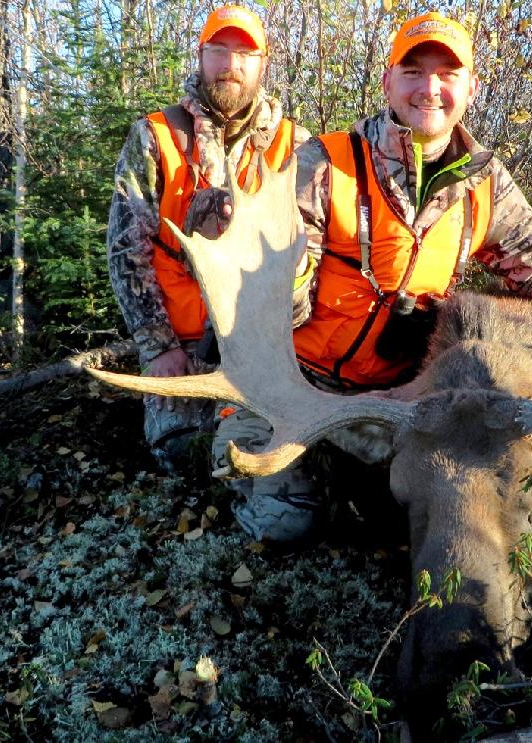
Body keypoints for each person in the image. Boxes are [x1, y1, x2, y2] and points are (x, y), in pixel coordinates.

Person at [217, 11, 532, 543]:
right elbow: (278, 301)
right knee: (290, 523)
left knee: (438, 506)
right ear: (388, 82)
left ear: (471, 87)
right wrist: (290, 277)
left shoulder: (483, 180)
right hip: (296, 389)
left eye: (447, 73)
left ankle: (344, 475)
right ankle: (247, 445)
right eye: (414, 72)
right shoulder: (323, 163)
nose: (430, 89)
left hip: (403, 400)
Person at [107, 5, 310, 473]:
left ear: (263, 63)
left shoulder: (295, 146)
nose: (230, 64)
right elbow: (126, 252)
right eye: (219, 50)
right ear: (200, 56)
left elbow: (307, 261)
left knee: (264, 457)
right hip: (182, 345)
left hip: (264, 349)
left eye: (245, 53)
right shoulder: (157, 136)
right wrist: (158, 345)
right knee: (180, 456)